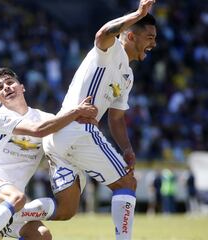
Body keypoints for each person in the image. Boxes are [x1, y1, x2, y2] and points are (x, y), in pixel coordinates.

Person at [42, 1, 157, 239]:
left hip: (60, 137)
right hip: (77, 128)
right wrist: (137, 13)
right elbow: (103, 33)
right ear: (131, 36)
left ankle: (12, 213)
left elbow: (116, 118)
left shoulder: (128, 76)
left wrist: (126, 148)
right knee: (127, 184)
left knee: (65, 210)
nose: (153, 43)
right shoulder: (111, 48)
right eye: (149, 37)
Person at [0, 67, 98, 240]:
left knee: (42, 236)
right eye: (0, 87)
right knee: (18, 197)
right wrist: (76, 112)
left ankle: (7, 219)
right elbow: (37, 130)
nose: (6, 87)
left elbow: (69, 131)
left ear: (22, 87)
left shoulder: (46, 117)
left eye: (10, 82)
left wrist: (87, 122)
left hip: (10, 204)